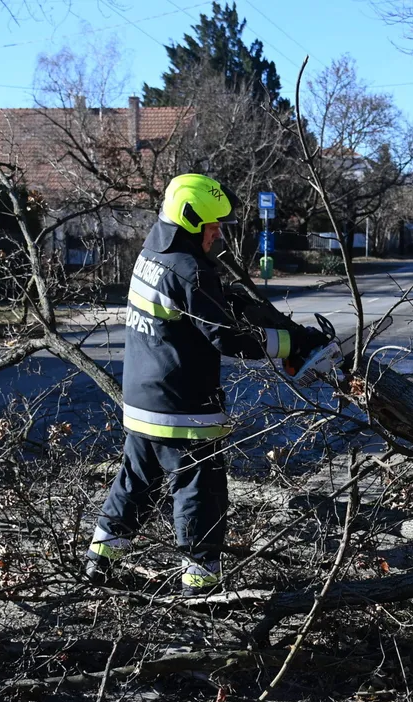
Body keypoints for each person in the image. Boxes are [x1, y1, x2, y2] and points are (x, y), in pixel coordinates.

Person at [86, 173, 329, 596]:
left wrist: (230, 296)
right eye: (212, 226)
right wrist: (293, 342)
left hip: (144, 399)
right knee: (201, 492)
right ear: (191, 220)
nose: (218, 234)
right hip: (182, 404)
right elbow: (227, 337)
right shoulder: (189, 270)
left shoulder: (152, 253)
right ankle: (200, 584)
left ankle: (100, 560)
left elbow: (194, 303)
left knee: (135, 481)